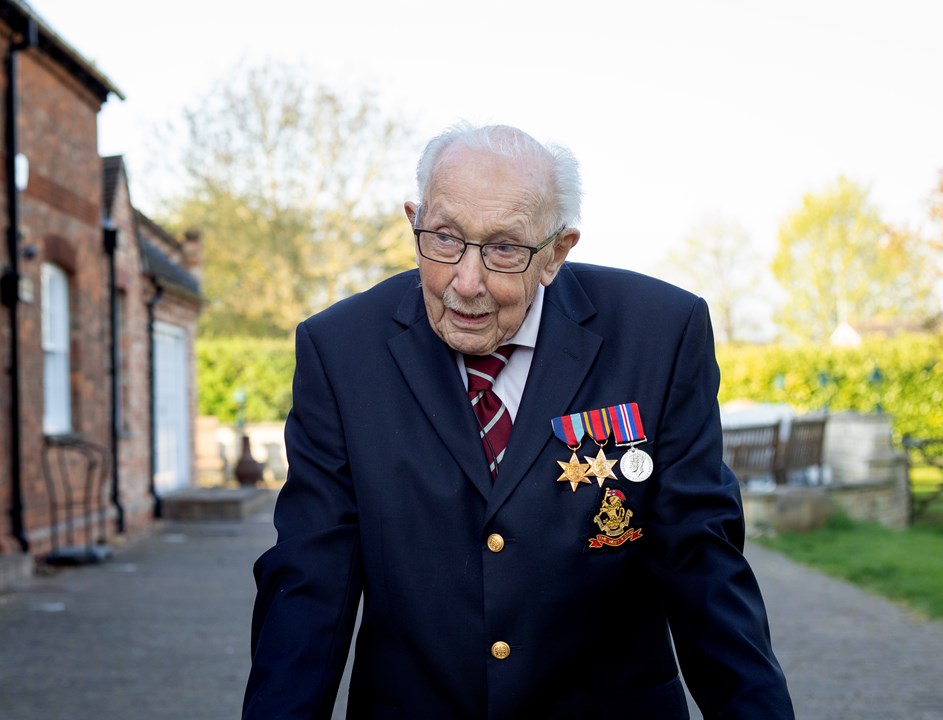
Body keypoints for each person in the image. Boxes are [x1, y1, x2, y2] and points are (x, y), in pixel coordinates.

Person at [243, 122, 794, 719]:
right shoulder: (340, 350)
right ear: (414, 221)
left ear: (557, 252)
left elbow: (703, 564)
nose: (467, 281)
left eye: (505, 248)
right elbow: (310, 582)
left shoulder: (660, 334)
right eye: (445, 238)